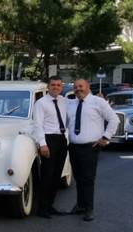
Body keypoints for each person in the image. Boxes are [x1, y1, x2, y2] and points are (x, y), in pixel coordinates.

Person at [66, 78, 118, 222]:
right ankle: (81, 205)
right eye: (76, 87)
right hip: (74, 147)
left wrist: (105, 137)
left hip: (90, 147)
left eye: (81, 86)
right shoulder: (71, 104)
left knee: (88, 179)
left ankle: (89, 209)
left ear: (88, 87)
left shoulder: (98, 102)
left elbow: (114, 119)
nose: (78, 89)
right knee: (78, 178)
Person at [32, 76, 69, 218]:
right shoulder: (41, 103)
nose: (56, 87)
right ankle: (42, 208)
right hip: (48, 140)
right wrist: (43, 144)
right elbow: (38, 125)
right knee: (47, 175)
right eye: (53, 85)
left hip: (61, 139)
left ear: (61, 87)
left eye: (59, 85)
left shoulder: (64, 101)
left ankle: (50, 205)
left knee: (57, 175)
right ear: (48, 87)